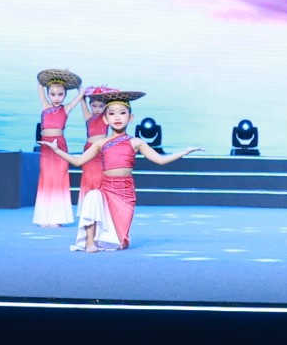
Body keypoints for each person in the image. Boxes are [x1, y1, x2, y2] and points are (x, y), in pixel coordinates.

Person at [42, 90, 201, 252]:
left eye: (122, 113)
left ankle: (107, 238)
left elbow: (160, 160)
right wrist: (57, 150)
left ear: (130, 118)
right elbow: (78, 161)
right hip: (106, 189)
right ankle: (90, 242)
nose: (117, 117)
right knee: (92, 197)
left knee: (120, 243)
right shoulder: (101, 143)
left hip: (125, 193)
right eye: (112, 113)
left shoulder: (136, 142)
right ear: (105, 119)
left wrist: (184, 151)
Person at [33, 68, 84, 227]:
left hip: (60, 147)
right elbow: (39, 84)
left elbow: (82, 92)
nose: (56, 98)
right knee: (46, 179)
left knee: (59, 179)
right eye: (53, 94)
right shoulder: (45, 106)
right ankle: (44, 218)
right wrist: (50, 75)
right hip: (46, 147)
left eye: (60, 94)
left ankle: (57, 218)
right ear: (48, 94)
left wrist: (73, 80)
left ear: (65, 95)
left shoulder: (66, 108)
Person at [77, 86, 111, 215]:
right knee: (87, 178)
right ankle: (87, 211)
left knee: (100, 178)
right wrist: (80, 89)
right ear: (90, 105)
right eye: (94, 106)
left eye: (101, 106)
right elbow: (82, 101)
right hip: (88, 150)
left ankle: (99, 211)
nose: (97, 109)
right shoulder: (88, 117)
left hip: (101, 152)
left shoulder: (106, 118)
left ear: (105, 106)